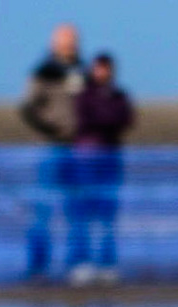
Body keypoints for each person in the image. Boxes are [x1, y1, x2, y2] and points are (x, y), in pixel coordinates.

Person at [18, 23, 84, 279]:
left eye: (73, 40)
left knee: (76, 209)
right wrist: (52, 130)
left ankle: (76, 265)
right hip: (49, 149)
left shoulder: (81, 70)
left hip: (78, 150)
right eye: (64, 40)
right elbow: (28, 108)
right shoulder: (42, 72)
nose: (69, 45)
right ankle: (38, 265)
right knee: (42, 208)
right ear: (54, 43)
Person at [68, 52, 133, 283]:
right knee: (82, 213)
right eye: (98, 68)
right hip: (86, 158)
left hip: (110, 158)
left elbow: (126, 118)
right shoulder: (85, 94)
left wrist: (105, 118)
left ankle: (107, 265)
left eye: (106, 68)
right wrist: (106, 118)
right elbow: (85, 118)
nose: (102, 72)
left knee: (107, 214)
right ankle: (80, 264)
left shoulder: (118, 94)